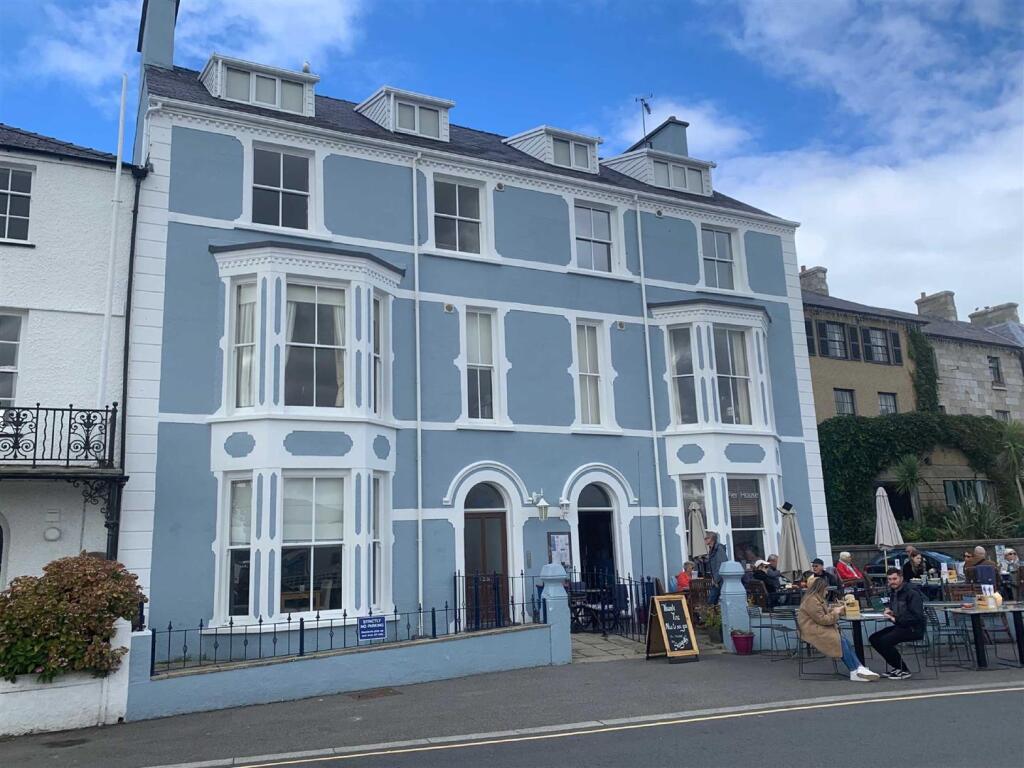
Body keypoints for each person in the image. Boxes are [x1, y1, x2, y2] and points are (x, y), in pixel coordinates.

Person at [797, 576, 880, 682]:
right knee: (839, 641)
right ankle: (855, 670)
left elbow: (823, 613)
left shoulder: (815, 598)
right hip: (812, 631)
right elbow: (823, 620)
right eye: (826, 589)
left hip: (817, 628)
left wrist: (836, 609)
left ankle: (858, 668)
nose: (827, 592)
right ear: (820, 589)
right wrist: (836, 613)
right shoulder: (811, 600)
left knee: (844, 641)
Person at [868, 568, 926, 679]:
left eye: (894, 579)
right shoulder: (894, 592)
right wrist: (890, 611)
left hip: (913, 628)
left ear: (901, 578)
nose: (892, 582)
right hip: (901, 625)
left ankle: (904, 670)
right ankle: (897, 667)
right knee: (874, 638)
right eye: (889, 579)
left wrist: (895, 619)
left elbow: (916, 616)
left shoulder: (911, 592)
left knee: (885, 641)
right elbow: (899, 610)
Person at [705, 531, 728, 605]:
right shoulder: (712, 549)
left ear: (711, 539)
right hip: (717, 579)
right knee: (713, 600)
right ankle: (713, 615)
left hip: (720, 579)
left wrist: (716, 579)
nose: (704, 539)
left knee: (713, 600)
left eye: (706, 538)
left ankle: (711, 615)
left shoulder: (718, 549)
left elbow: (721, 564)